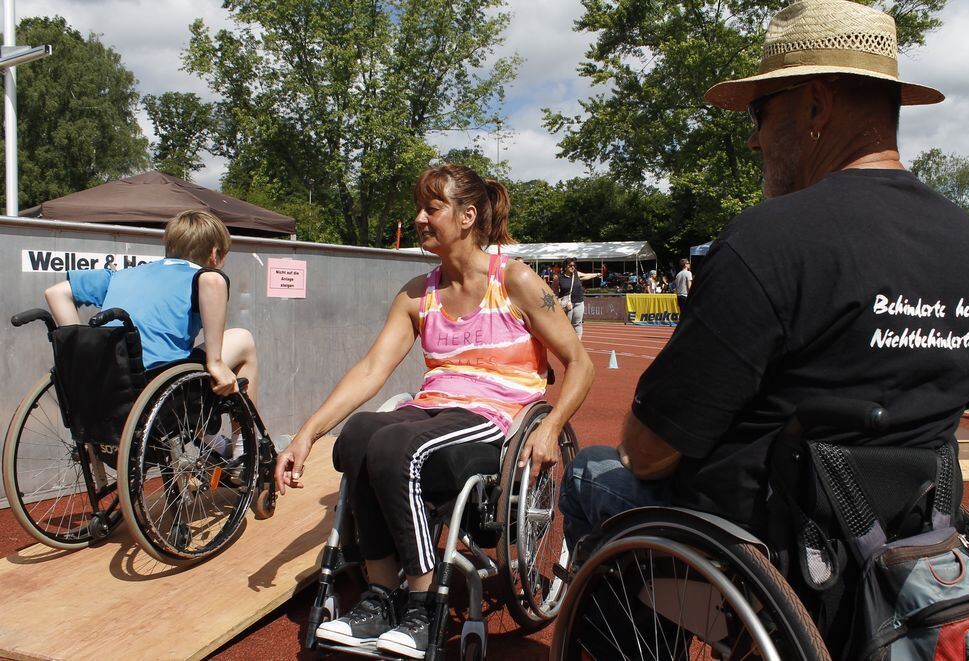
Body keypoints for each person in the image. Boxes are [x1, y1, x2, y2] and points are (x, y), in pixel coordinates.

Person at [559, 0, 969, 655]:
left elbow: (650, 451)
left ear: (816, 106)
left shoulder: (769, 242)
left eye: (760, 112)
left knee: (592, 475)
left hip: (769, 562)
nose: (752, 137)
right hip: (910, 549)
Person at [274, 164, 594, 658]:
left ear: (467, 216)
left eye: (432, 207)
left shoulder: (515, 281)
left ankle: (422, 604)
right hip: (435, 407)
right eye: (419, 208)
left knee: (396, 445)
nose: (420, 218)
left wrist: (551, 427)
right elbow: (370, 371)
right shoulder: (415, 293)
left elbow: (581, 363)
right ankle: (381, 596)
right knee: (360, 434)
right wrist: (307, 434)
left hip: (497, 415)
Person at [44, 209, 259, 457]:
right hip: (160, 387)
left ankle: (214, 442)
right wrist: (216, 362)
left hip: (110, 386)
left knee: (185, 365)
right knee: (243, 340)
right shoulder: (202, 276)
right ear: (214, 254)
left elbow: (56, 292)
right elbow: (213, 282)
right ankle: (243, 450)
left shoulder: (121, 275)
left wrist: (83, 358)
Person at [557, 258, 601, 338]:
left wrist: (597, 274)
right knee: (567, 325)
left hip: (578, 303)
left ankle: (577, 344)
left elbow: (587, 275)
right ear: (565, 267)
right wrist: (560, 302)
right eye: (570, 265)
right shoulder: (559, 278)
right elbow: (553, 291)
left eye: (574, 265)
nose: (573, 267)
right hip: (566, 305)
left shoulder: (576, 274)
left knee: (577, 324)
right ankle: (566, 342)